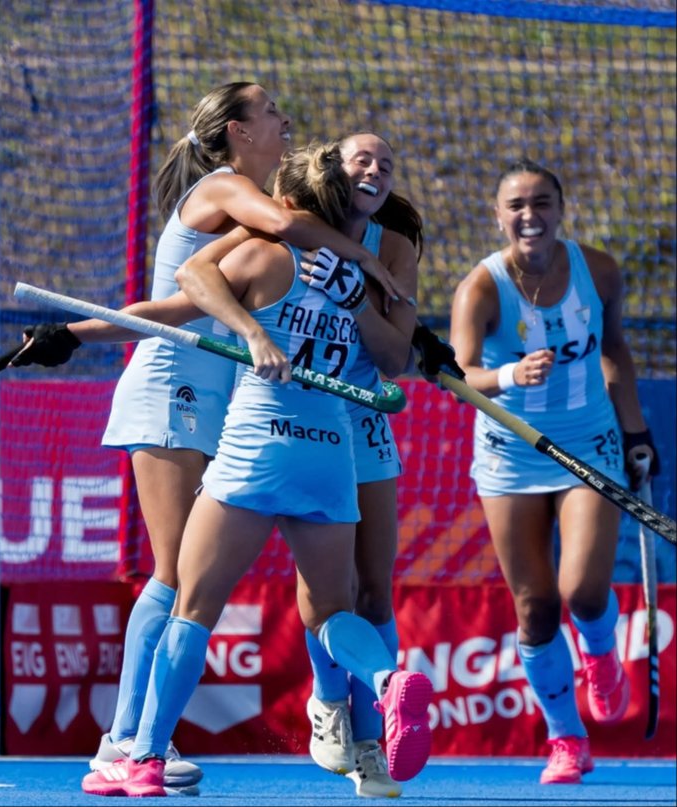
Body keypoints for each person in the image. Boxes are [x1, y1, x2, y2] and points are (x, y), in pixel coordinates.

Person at [12, 82, 412, 795]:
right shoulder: (251, 204)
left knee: (188, 598)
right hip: (301, 437)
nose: (284, 121)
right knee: (332, 606)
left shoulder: (263, 248)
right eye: (270, 112)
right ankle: (385, 677)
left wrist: (76, 334)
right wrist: (364, 272)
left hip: (251, 436)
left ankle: (138, 752)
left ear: (295, 198)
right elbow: (388, 354)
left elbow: (185, 288)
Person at [176, 131, 462, 798]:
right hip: (283, 420)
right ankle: (333, 708)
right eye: (362, 158)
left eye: (387, 163)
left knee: (370, 590)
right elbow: (196, 283)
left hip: (358, 420)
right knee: (323, 595)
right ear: (333, 174)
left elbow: (392, 360)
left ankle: (372, 743)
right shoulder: (285, 227)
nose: (375, 170)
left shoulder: (394, 246)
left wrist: (359, 300)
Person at [447, 158, 659, 785]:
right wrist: (511, 374)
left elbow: (614, 349)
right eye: (516, 205)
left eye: (542, 203)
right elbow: (457, 376)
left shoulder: (599, 270)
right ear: (498, 216)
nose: (530, 216)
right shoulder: (481, 289)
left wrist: (636, 432)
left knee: (584, 592)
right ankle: (567, 738)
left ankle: (601, 655)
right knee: (535, 608)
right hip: (510, 455)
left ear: (561, 210)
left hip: (589, 445)